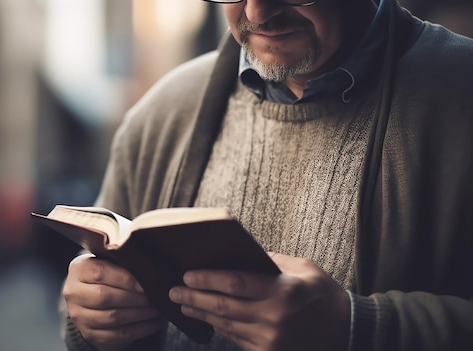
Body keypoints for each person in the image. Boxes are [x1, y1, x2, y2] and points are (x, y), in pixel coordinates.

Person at [60, 0, 473, 350]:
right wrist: (91, 319)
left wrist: (354, 328)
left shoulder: (459, 93)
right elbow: (89, 293)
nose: (258, 12)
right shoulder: (161, 114)